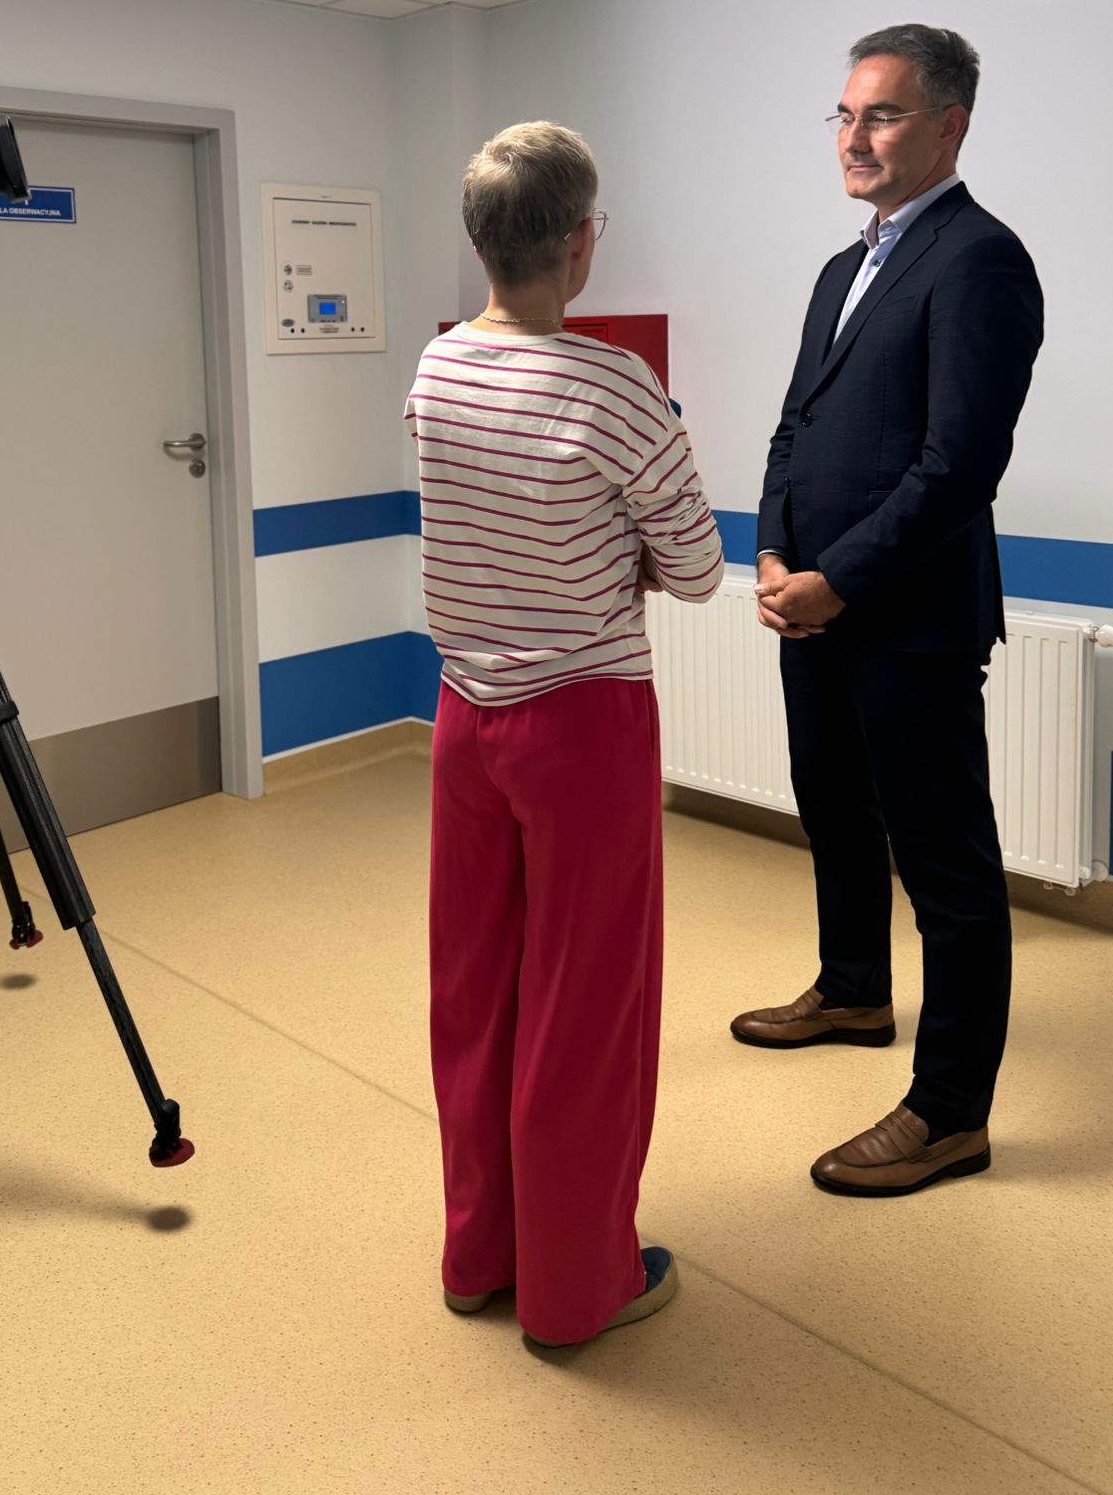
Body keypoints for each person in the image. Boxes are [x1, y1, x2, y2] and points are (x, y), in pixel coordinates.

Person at [405, 120, 723, 1347]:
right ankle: (578, 1286)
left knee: (474, 988)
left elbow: (487, 523)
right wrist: (617, 550)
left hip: (464, 717)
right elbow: (695, 567)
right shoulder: (614, 386)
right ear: (583, 243)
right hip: (582, 721)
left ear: (479, 239)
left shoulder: (439, 366)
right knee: (586, 1003)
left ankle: (479, 1253)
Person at [741, 24, 1044, 1197]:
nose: (853, 137)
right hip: (815, 601)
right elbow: (797, 423)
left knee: (948, 865)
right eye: (845, 114)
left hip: (907, 617)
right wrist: (773, 548)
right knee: (834, 809)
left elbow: (959, 463)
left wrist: (841, 576)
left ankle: (950, 1111)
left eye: (882, 114)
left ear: (949, 125)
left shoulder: (981, 260)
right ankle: (855, 988)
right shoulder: (844, 266)